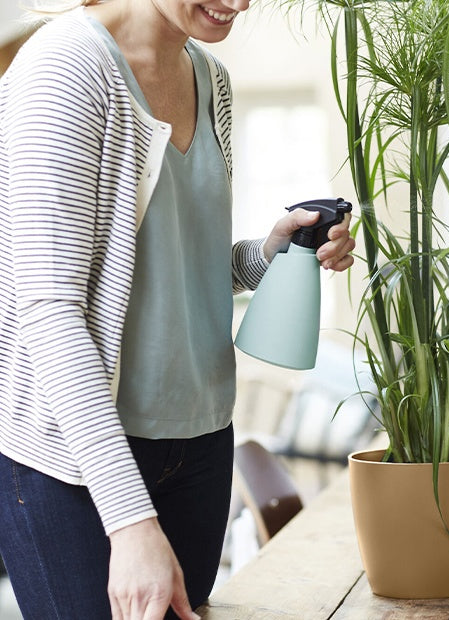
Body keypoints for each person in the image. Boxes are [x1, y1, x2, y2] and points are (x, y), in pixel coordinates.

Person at [0, 0, 355, 618]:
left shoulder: (209, 76)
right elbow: (49, 309)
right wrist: (130, 518)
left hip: (202, 441)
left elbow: (181, 268)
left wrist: (272, 254)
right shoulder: (63, 67)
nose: (241, 3)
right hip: (76, 462)